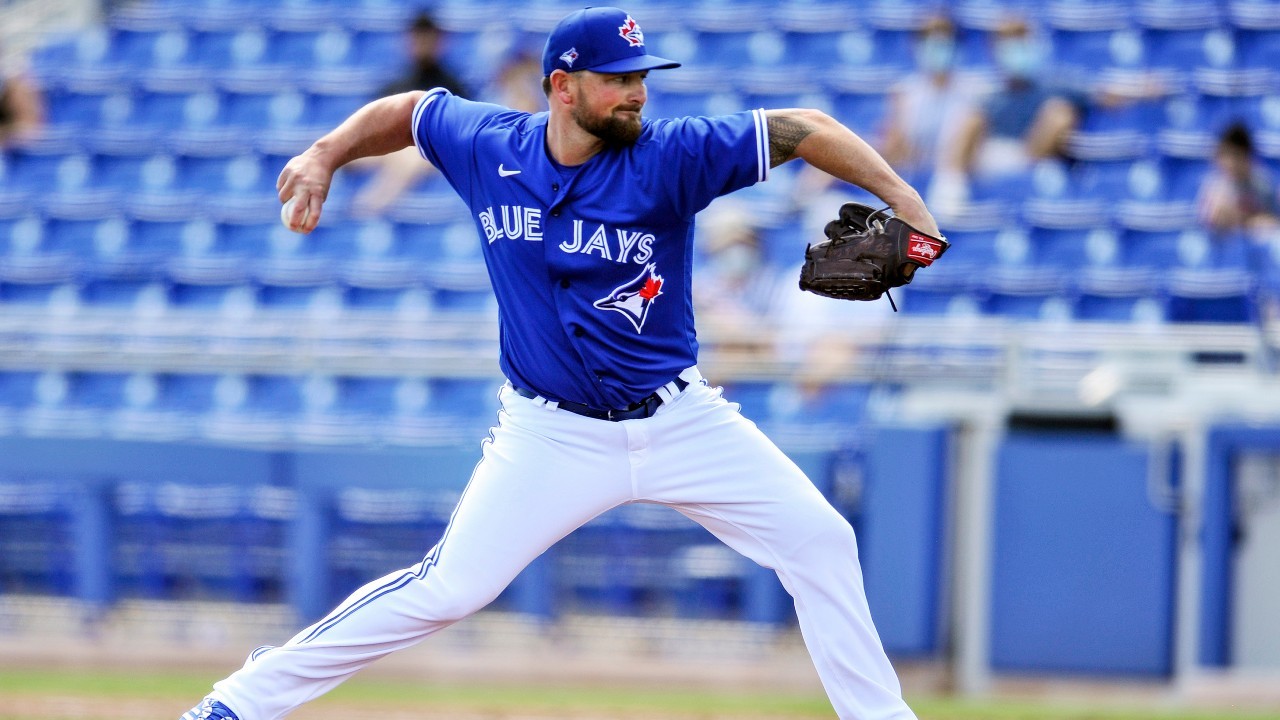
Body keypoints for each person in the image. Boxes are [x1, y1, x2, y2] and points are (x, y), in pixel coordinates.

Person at [183, 7, 939, 720]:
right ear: (563, 85)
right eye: (619, 77)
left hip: (681, 421)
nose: (638, 92)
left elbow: (803, 128)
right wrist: (325, 153)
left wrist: (904, 194)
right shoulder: (489, 145)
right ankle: (240, 702)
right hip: (550, 436)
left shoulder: (671, 155)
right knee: (449, 587)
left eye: (643, 76)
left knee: (821, 541)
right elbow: (408, 111)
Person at [1197, 121, 1278, 235]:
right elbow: (1210, 221)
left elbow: (1273, 221)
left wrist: (1247, 220)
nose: (1230, 163)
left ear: (1248, 156)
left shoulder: (1262, 183)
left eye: (1236, 155)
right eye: (1225, 155)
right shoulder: (1214, 185)